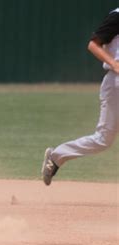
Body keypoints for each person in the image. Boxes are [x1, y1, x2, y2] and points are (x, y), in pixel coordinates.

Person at [42, 8, 119, 185]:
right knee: (103, 140)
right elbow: (93, 44)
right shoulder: (117, 16)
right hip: (116, 83)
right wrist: (114, 64)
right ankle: (56, 156)